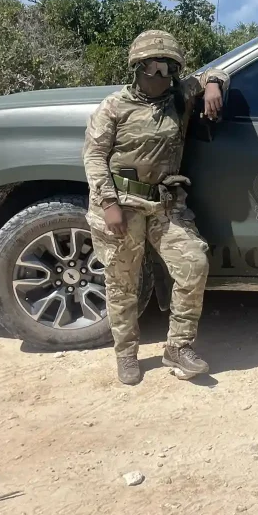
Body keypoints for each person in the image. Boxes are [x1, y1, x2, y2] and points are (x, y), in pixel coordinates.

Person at [82, 29, 228, 385]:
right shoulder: (114, 107)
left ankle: (178, 346)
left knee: (193, 262)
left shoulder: (180, 96)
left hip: (163, 206)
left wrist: (212, 86)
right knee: (122, 282)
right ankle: (127, 354)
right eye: (153, 67)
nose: (161, 75)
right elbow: (95, 155)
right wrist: (108, 203)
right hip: (121, 204)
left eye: (169, 67)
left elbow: (219, 70)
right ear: (137, 67)